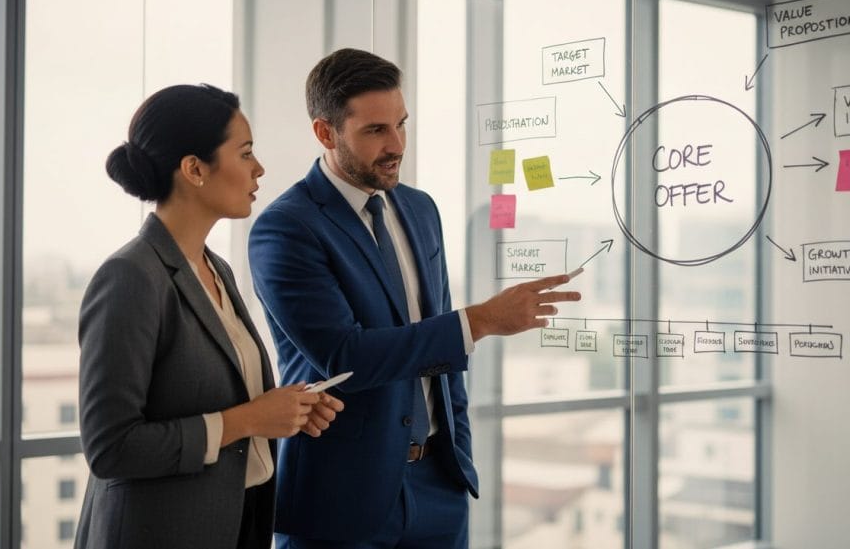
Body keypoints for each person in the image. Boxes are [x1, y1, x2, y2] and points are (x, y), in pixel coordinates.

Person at [248, 48, 582, 549]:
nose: (396, 144)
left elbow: (438, 349)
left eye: (401, 125)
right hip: (342, 502)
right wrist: (480, 321)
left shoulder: (420, 210)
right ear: (325, 133)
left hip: (438, 489)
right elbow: (345, 355)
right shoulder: (286, 228)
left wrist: (457, 456)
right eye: (376, 131)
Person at [75, 84, 345, 549]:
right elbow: (111, 448)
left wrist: (285, 409)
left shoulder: (215, 269)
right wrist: (248, 420)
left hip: (235, 524)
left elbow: (218, 393)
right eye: (245, 154)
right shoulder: (130, 277)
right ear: (194, 169)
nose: (259, 169)